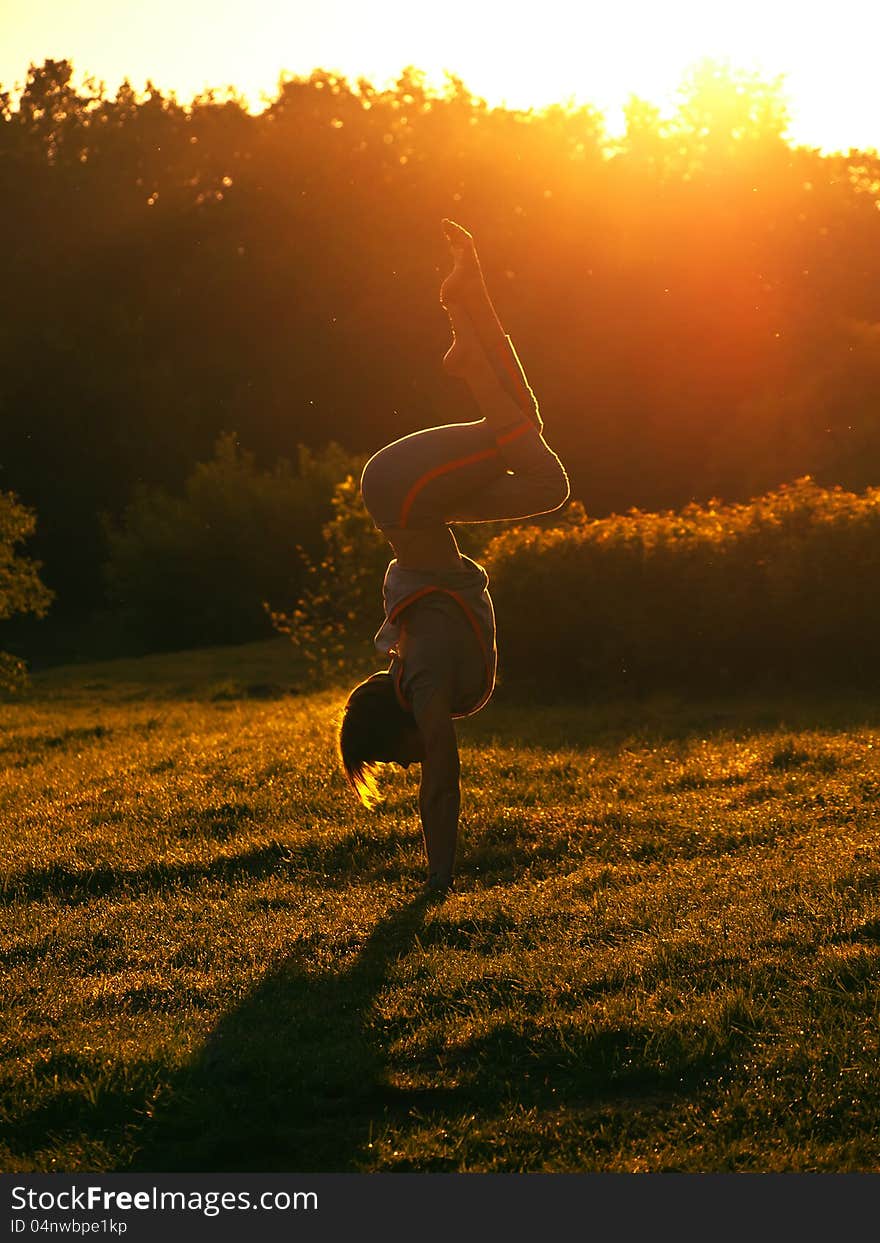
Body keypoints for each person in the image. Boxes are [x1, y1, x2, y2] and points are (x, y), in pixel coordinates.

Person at [339, 220, 570, 893]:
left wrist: (439, 873)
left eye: (397, 760)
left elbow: (443, 778)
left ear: (398, 728)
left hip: (405, 490)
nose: (412, 764)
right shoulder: (415, 671)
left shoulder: (423, 686)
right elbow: (434, 767)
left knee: (541, 465)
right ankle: (467, 300)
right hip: (411, 499)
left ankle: (467, 335)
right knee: (534, 461)